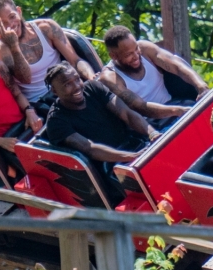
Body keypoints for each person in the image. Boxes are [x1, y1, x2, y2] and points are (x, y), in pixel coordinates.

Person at [42, 62, 162, 196]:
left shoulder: (93, 87)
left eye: (77, 79)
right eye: (67, 84)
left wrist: (152, 134)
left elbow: (127, 114)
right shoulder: (56, 121)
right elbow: (89, 148)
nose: (76, 86)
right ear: (54, 91)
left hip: (133, 143)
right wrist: (131, 157)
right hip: (109, 167)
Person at [0, 0, 95, 115]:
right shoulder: (0, 49)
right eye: (3, 23)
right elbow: (25, 78)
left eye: (12, 17)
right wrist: (13, 46)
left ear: (19, 11)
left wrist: (92, 77)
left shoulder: (46, 27)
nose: (11, 25)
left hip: (66, 88)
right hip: (40, 103)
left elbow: (75, 61)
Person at [98, 25, 207, 127]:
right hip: (151, 123)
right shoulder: (110, 77)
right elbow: (139, 106)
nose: (136, 56)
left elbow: (176, 65)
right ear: (113, 56)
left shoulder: (145, 49)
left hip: (176, 104)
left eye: (136, 49)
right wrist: (177, 111)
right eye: (128, 54)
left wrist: (201, 86)